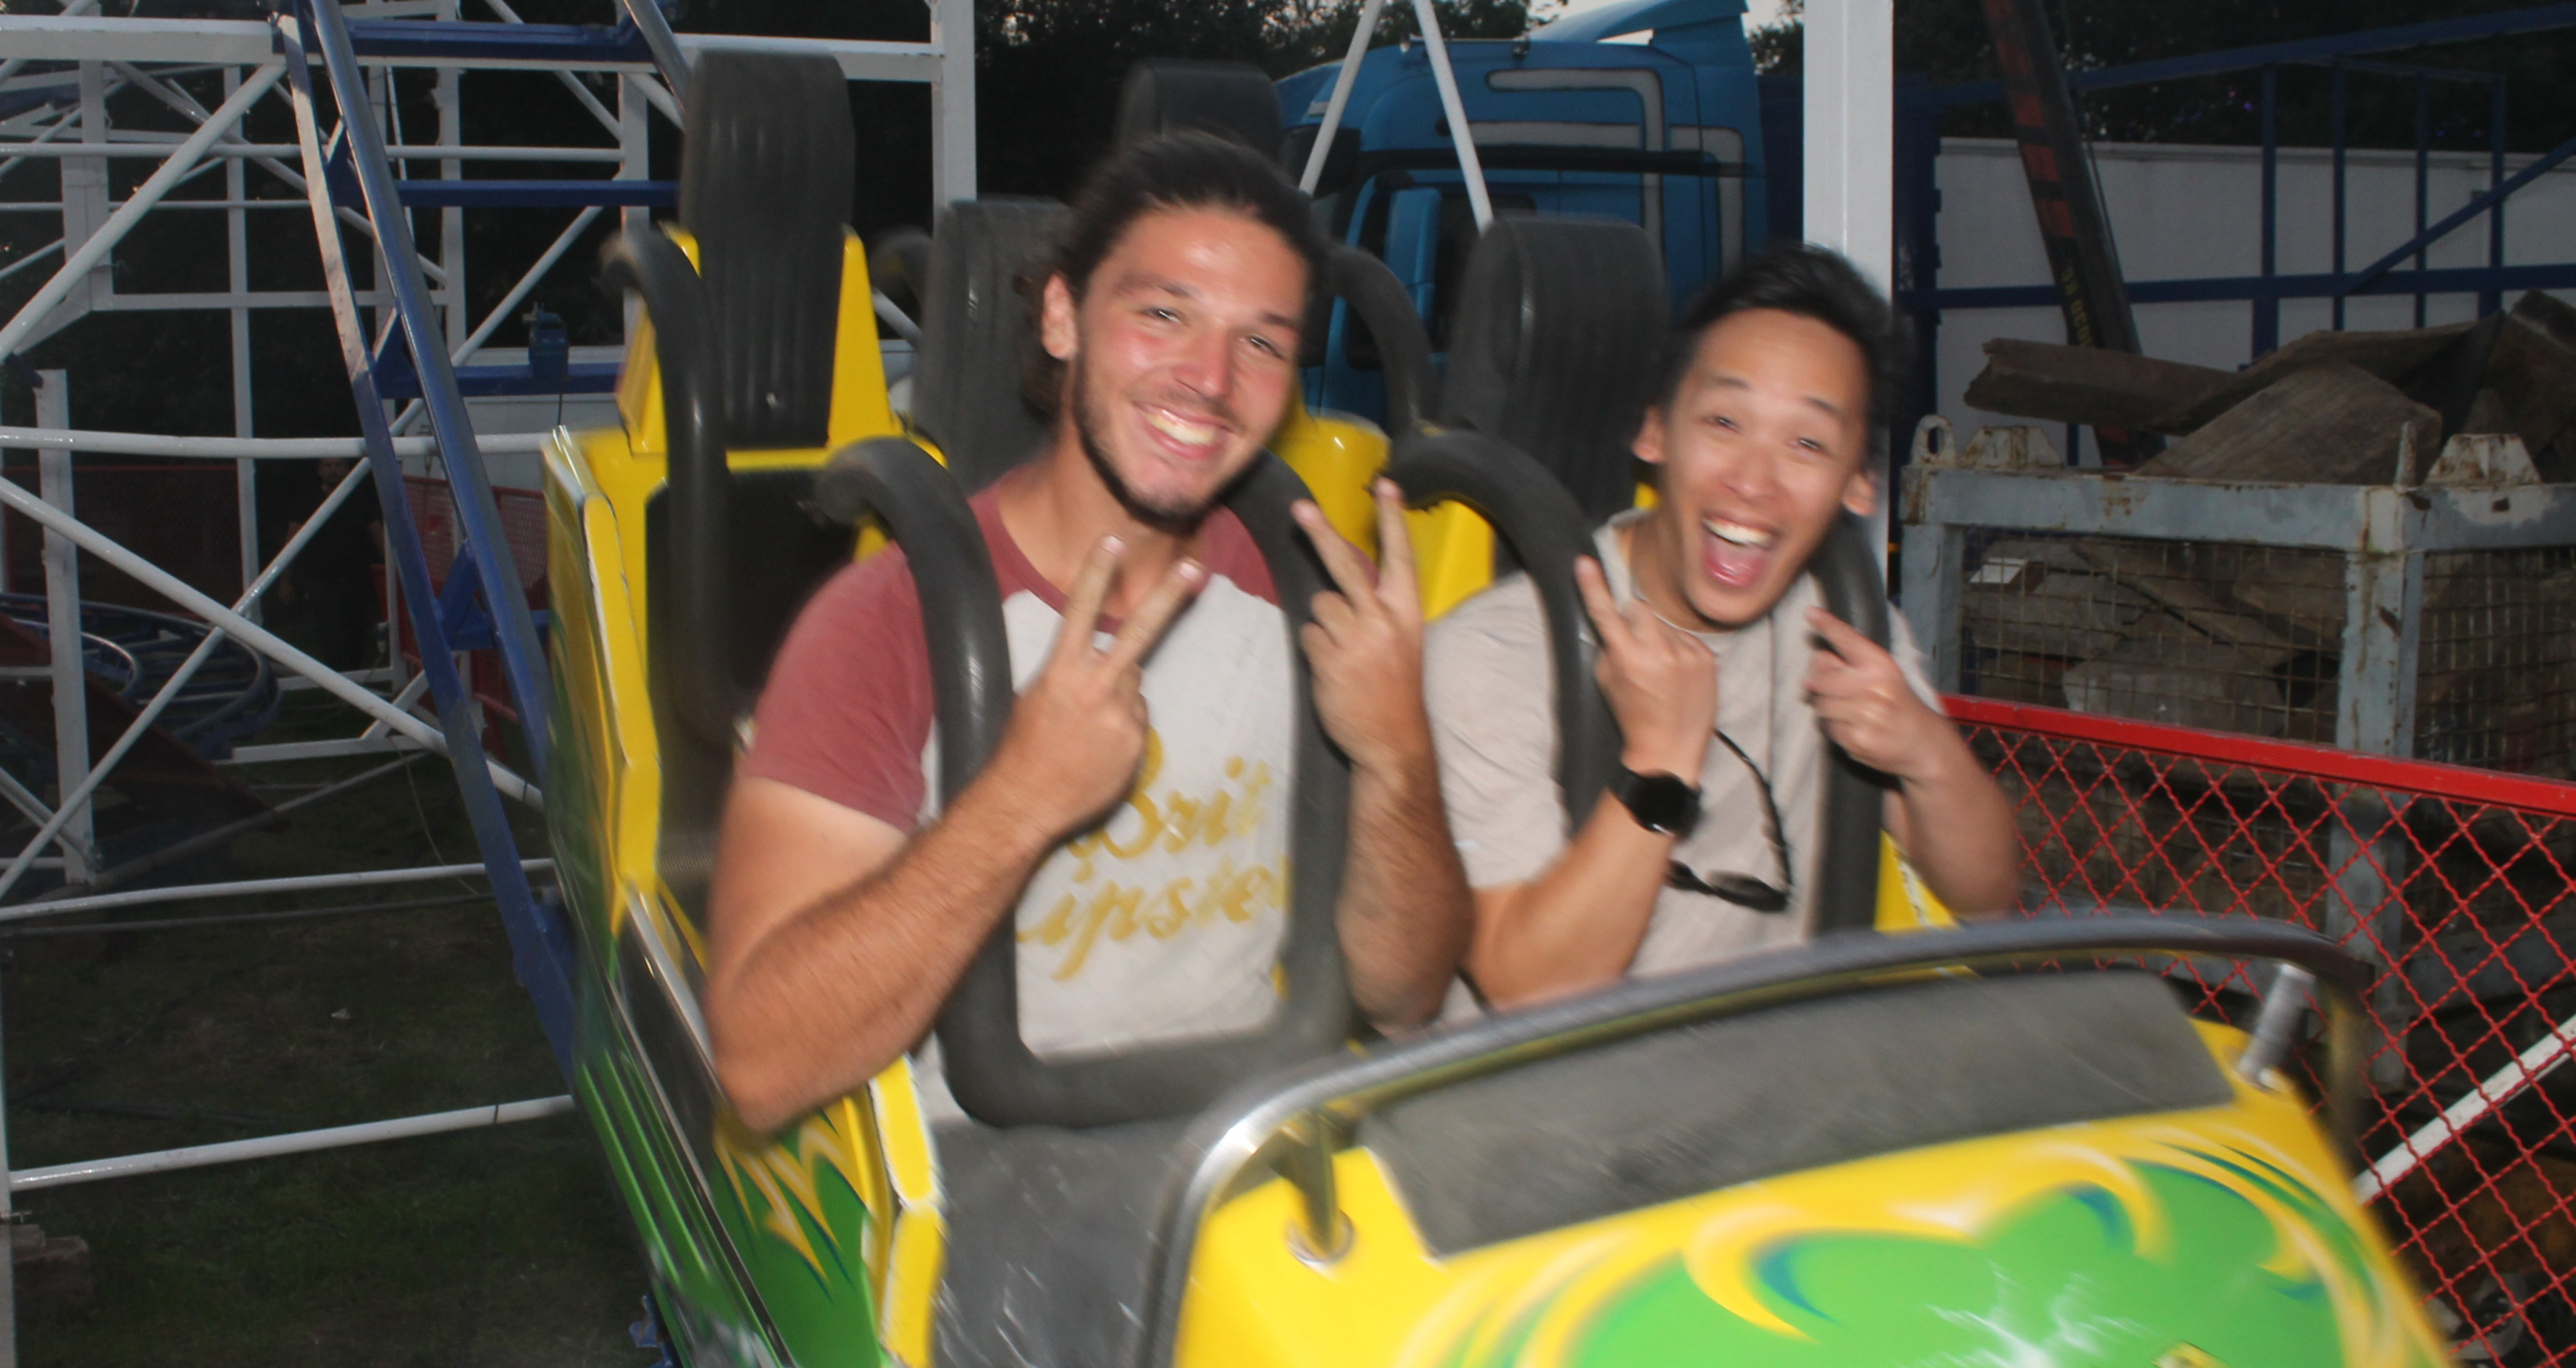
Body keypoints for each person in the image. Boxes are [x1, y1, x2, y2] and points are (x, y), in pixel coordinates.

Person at [706, 131, 1469, 1135]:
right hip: (979, 1170)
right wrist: (1019, 802)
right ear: (1063, 316)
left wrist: (1400, 757)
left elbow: (1405, 995)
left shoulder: (1322, 604)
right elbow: (759, 1067)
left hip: (1240, 1139)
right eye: (1164, 314)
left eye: (1262, 343)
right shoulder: (885, 623)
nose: (1211, 378)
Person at [1427, 242, 2019, 1006]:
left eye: (1807, 443)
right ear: (1654, 432)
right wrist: (1660, 768)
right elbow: (1529, 991)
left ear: (1859, 484)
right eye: (1724, 421)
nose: (1753, 482)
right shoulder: (1499, 650)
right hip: (1569, 1074)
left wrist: (1927, 753)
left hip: (1772, 1063)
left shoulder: (1843, 623)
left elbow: (1986, 897)